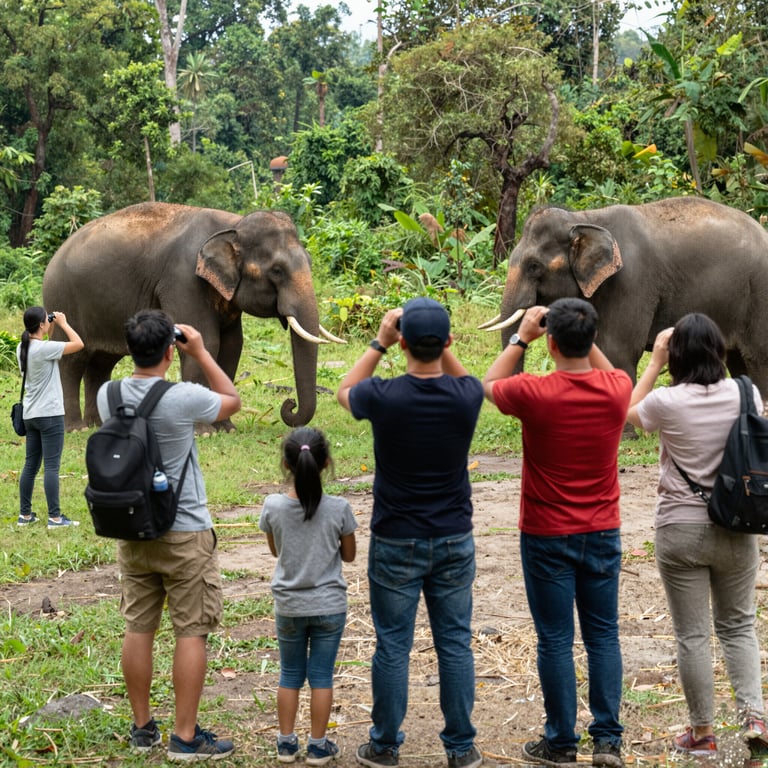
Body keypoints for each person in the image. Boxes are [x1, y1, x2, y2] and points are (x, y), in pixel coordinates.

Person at [482, 298, 631, 768]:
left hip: (547, 533)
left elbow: (489, 383)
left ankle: (561, 742)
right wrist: (585, 334)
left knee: (554, 639)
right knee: (603, 636)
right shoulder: (617, 388)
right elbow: (605, 371)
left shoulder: (534, 392)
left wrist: (520, 336)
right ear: (592, 340)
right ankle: (607, 741)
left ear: (550, 343)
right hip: (603, 531)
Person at [337, 297, 484, 768]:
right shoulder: (466, 398)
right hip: (453, 538)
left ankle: (384, 746)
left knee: (393, 645)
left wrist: (379, 342)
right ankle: (460, 748)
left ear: (401, 343)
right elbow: (465, 379)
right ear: (448, 343)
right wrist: (441, 346)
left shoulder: (383, 396)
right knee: (455, 643)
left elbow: (345, 390)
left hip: (396, 538)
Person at [96, 309, 241, 761]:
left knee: (138, 627)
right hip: (185, 532)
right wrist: (198, 351)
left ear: (129, 348)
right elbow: (231, 399)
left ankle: (142, 729)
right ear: (168, 349)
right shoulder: (183, 398)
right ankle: (185, 735)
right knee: (191, 631)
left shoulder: (108, 394)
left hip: (132, 527)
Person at [626, 313, 768, 759]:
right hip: (738, 523)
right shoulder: (745, 392)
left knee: (692, 635)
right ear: (720, 351)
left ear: (678, 355)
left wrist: (653, 364)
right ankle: (756, 718)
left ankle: (702, 733)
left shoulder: (666, 401)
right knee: (739, 624)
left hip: (679, 528)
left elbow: (627, 415)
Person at [259, 426, 358, 765]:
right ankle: (318, 745)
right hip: (329, 606)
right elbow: (349, 556)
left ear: (287, 465)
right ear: (327, 463)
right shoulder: (340, 507)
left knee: (289, 674)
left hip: (288, 605)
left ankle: (286, 744)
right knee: (321, 676)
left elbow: (276, 552)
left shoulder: (272, 506)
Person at [17, 306, 84, 528]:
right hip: (50, 414)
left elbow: (48, 343)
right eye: (46, 321)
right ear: (41, 325)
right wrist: (64, 323)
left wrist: (51, 325)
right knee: (52, 467)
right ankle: (55, 517)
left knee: (30, 465)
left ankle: (25, 516)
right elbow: (78, 344)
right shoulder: (44, 349)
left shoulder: (22, 347)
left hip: (31, 414)